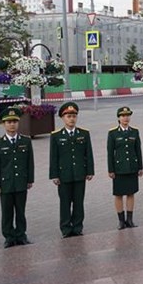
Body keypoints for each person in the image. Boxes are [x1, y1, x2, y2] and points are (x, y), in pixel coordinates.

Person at [0, 107, 34, 248]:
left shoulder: (25, 141)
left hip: (21, 182)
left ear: (18, 123)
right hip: (6, 183)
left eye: (14, 121)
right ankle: (9, 237)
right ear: (3, 124)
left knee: (21, 211)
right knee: (7, 211)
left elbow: (29, 162)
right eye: (8, 122)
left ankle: (21, 235)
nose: (12, 125)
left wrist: (30, 179)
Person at [49, 102, 94, 238]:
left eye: (74, 116)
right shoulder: (56, 135)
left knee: (78, 202)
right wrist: (54, 175)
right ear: (63, 118)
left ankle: (77, 227)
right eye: (68, 116)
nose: (71, 119)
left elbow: (88, 154)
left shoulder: (84, 134)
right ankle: (66, 228)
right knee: (65, 203)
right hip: (64, 175)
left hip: (80, 173)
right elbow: (53, 157)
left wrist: (90, 171)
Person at [107, 106, 143, 229]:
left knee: (131, 193)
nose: (126, 118)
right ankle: (121, 221)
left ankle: (130, 220)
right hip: (119, 168)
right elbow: (110, 152)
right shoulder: (112, 133)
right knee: (118, 195)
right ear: (118, 118)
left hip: (132, 167)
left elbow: (138, 150)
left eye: (128, 115)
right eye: (123, 116)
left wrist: (140, 166)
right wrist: (111, 169)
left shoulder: (134, 131)